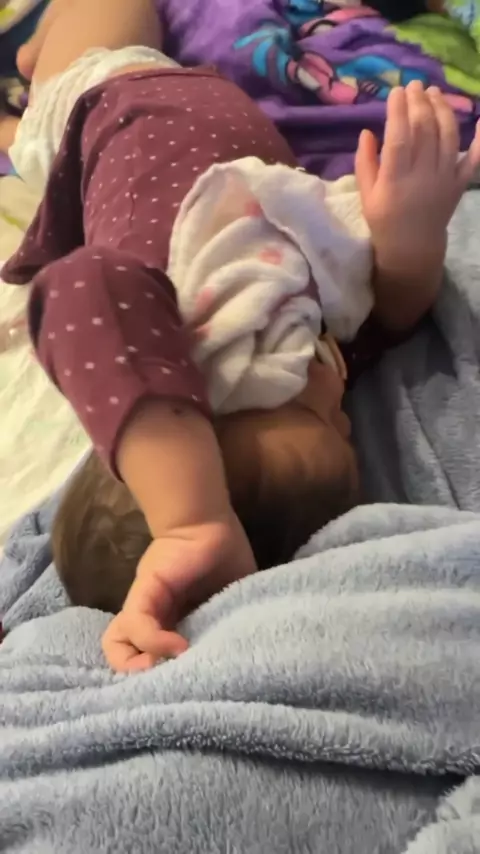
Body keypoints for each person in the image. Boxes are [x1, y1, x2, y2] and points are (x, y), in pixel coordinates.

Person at [2, 0, 480, 672]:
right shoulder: (302, 356)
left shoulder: (169, 334)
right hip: (213, 105)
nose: (341, 402)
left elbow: (79, 287)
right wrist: (411, 236)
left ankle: (27, 89)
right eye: (343, 428)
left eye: (309, 411)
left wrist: (189, 519)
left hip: (109, 99)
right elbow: (389, 318)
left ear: (198, 414)